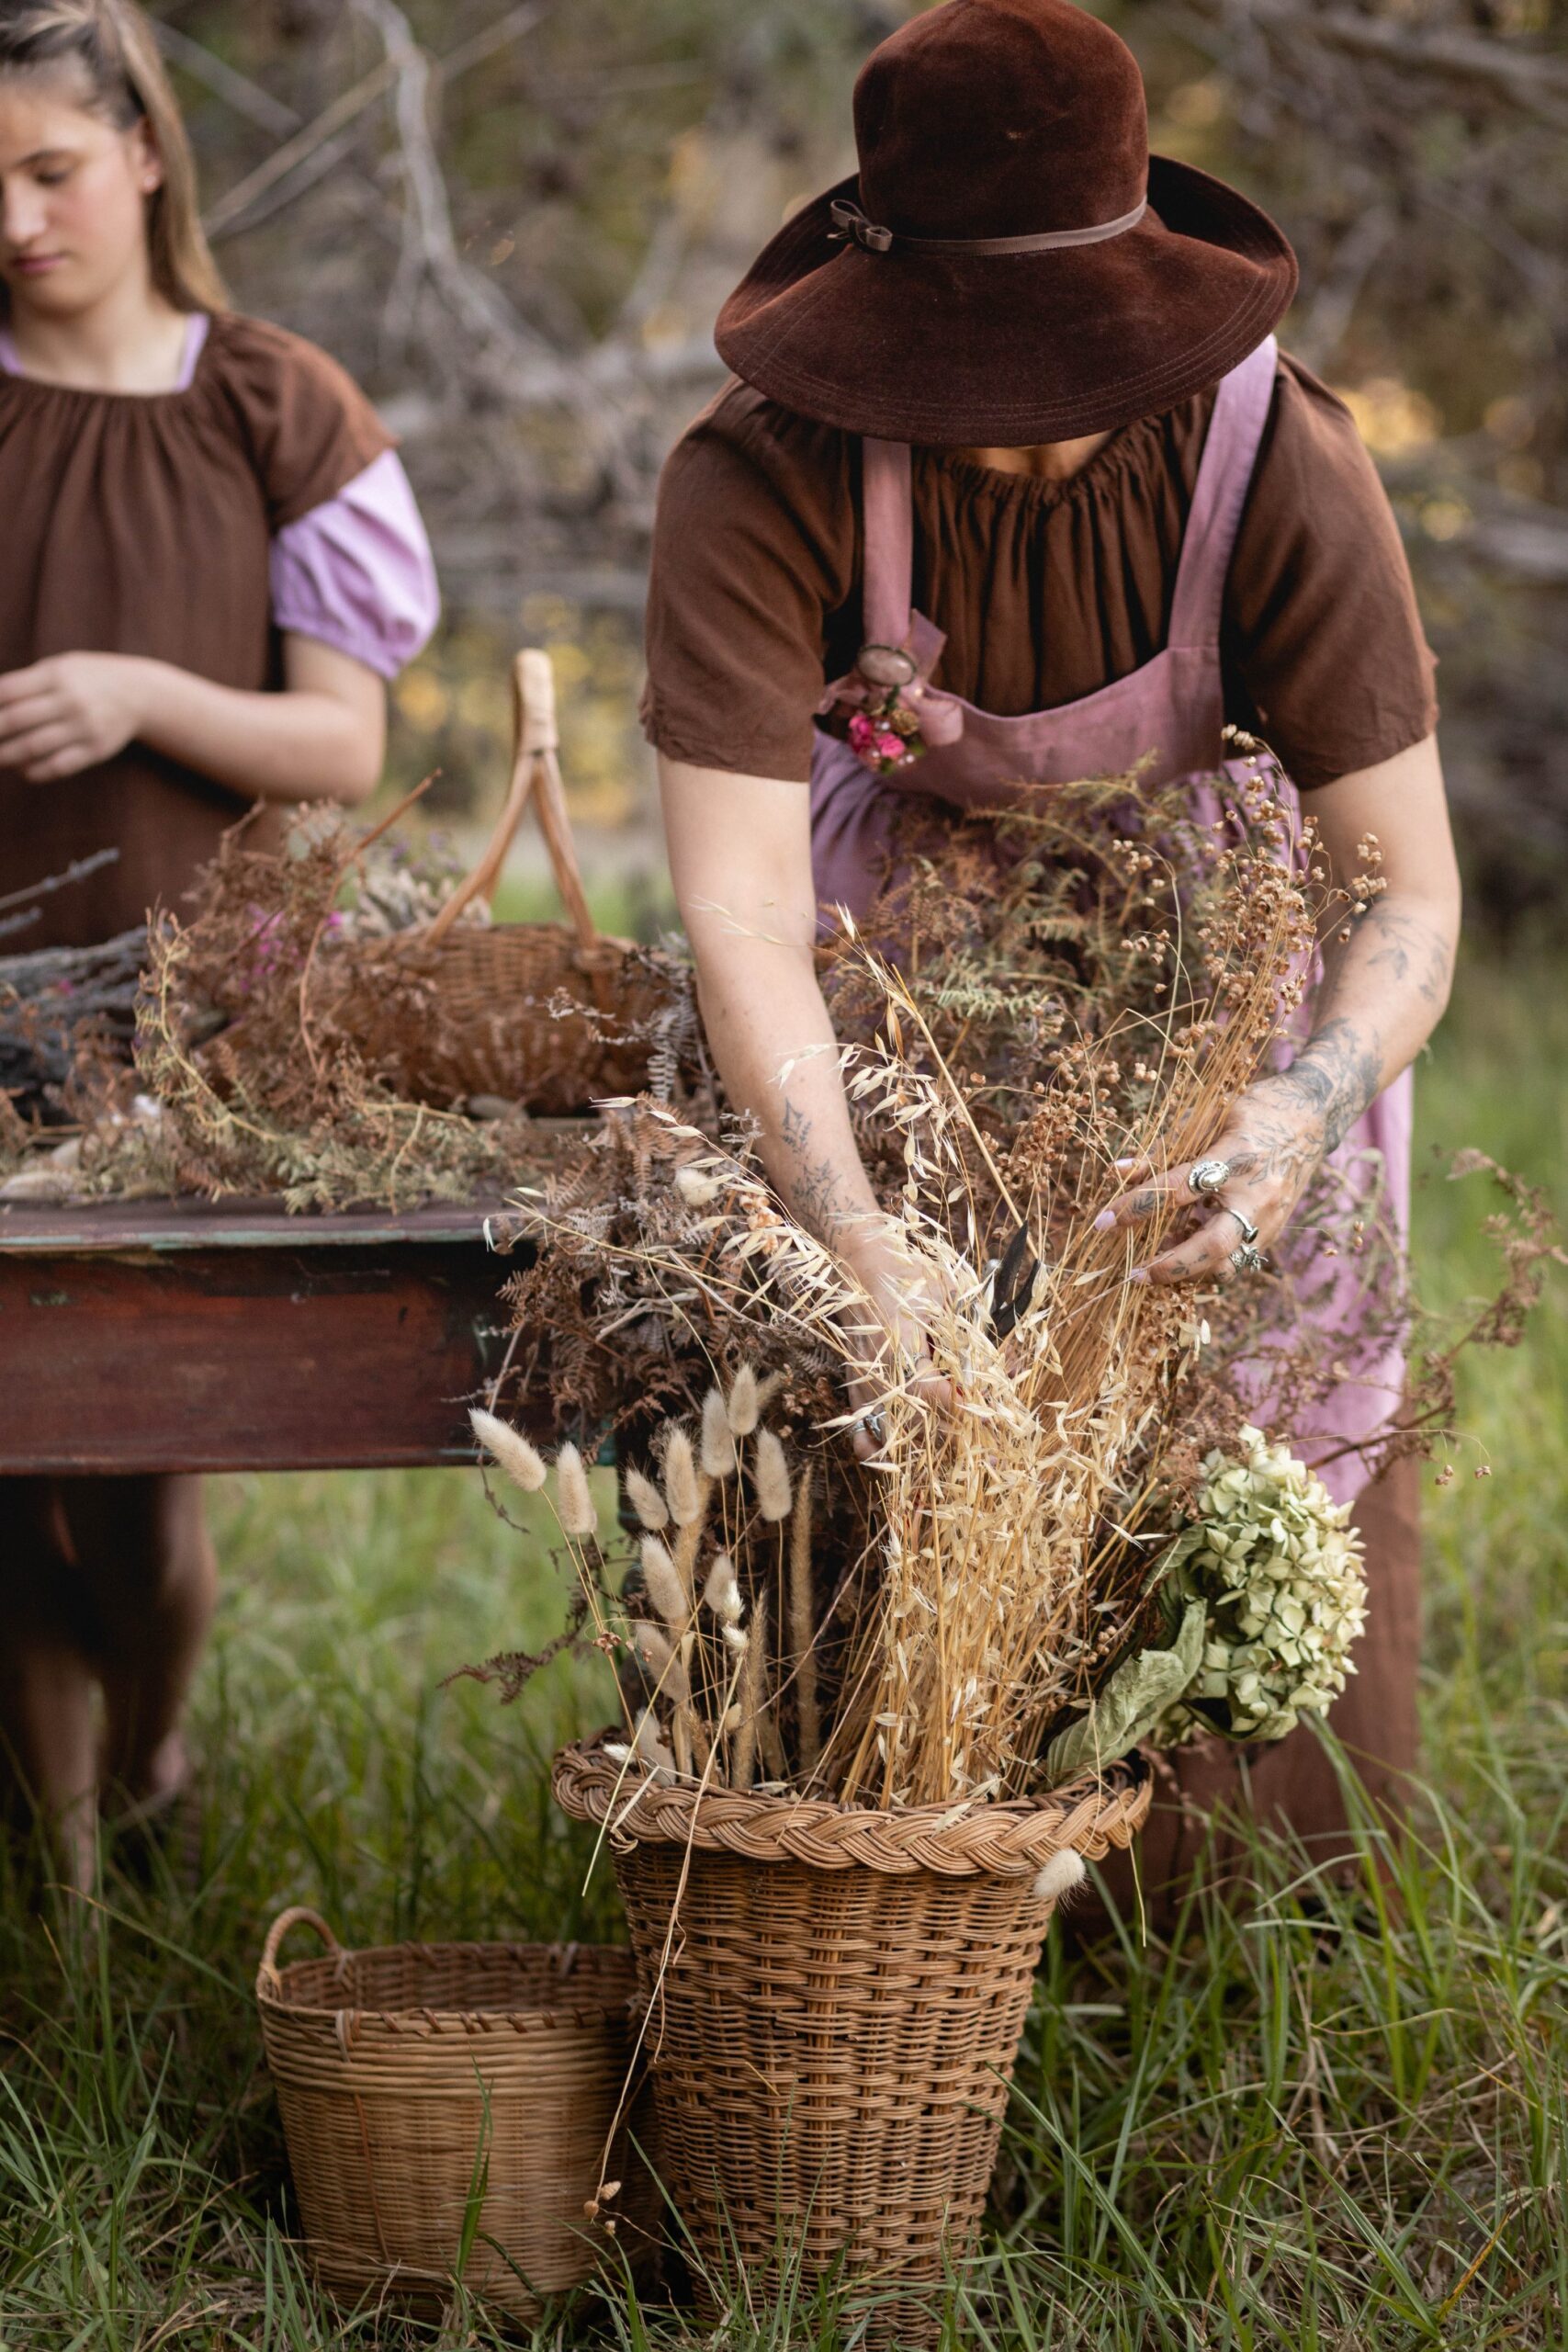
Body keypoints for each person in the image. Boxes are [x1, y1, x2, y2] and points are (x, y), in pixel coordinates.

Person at [641, 0, 1461, 1920]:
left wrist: (1290, 1110)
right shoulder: (757, 474)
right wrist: (851, 1235)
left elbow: (1406, 898)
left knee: (1239, 1458)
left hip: (1216, 999)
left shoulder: (1274, 453)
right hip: (896, 1009)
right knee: (900, 1448)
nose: (1009, 405)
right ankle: (887, 1952)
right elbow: (742, 911)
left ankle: (1228, 1949)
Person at [0, 0, 438, 1883]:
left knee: (135, 1467)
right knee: (8, 1462)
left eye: (51, 170)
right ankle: (64, 1864)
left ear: (147, 157)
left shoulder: (267, 403)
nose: (19, 221)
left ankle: (157, 1748)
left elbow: (343, 746)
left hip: (178, 1022)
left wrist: (134, 691)